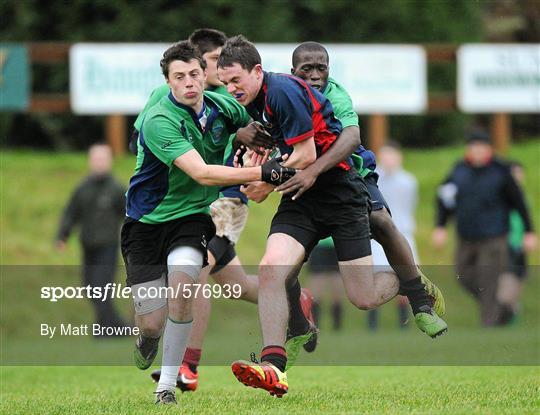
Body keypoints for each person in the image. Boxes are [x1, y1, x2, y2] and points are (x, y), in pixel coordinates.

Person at [217, 35, 446, 397]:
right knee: (271, 268)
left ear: (257, 71)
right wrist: (250, 155)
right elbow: (266, 150)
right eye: (225, 82)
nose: (230, 89)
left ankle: (409, 283)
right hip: (301, 196)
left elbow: (307, 155)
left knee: (364, 297)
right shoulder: (252, 102)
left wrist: (263, 180)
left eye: (235, 81)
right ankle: (273, 366)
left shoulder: (284, 92)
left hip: (340, 191)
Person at [140, 29, 315, 393]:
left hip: (228, 198)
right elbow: (145, 139)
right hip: (189, 202)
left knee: (196, 268)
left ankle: (188, 366)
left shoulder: (232, 99)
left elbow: (264, 134)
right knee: (234, 286)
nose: (216, 76)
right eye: (214, 65)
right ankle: (296, 301)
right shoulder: (168, 102)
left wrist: (251, 144)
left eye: (221, 67)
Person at [432, 129, 537, 327]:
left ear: (489, 149)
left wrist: (530, 232)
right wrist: (440, 225)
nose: (477, 151)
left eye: (481, 147)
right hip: (466, 236)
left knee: (489, 280)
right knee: (462, 275)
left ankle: (488, 327)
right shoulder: (458, 170)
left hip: (494, 237)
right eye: (473, 147)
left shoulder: (501, 171)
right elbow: (444, 199)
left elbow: (519, 202)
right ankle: (504, 308)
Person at [56, 143, 127, 334]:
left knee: (101, 289)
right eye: (96, 159)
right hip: (88, 247)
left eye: (103, 159)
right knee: (90, 289)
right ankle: (116, 328)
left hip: (108, 247)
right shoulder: (82, 189)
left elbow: (129, 216)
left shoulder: (116, 189)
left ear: (110, 161)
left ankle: (107, 330)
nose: (99, 163)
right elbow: (71, 213)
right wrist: (62, 236)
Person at [368, 141, 419, 330]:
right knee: (375, 277)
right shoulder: (373, 179)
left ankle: (404, 323)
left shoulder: (408, 181)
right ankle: (373, 324)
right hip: (378, 236)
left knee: (406, 275)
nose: (388, 160)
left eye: (392, 155)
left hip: (403, 233)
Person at [497, 161, 531, 324]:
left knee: (513, 289)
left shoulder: (523, 200)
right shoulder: (500, 200)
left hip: (519, 250)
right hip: (505, 249)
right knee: (503, 295)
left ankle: (509, 324)